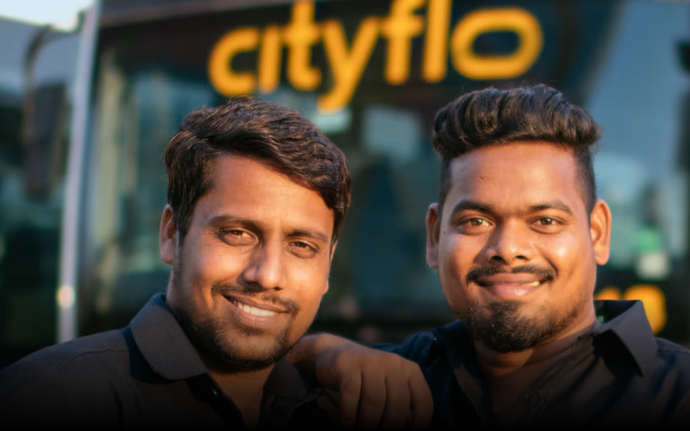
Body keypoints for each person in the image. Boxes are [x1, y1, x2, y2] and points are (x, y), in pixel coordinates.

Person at [290, 85, 690, 429]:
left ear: (598, 233)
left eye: (546, 220)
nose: (507, 248)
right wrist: (316, 352)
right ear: (434, 236)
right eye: (476, 220)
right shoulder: (376, 385)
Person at [0, 98, 371, 429]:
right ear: (171, 234)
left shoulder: (341, 409)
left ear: (328, 264)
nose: (268, 275)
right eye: (238, 233)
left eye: (302, 245)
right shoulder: (52, 398)